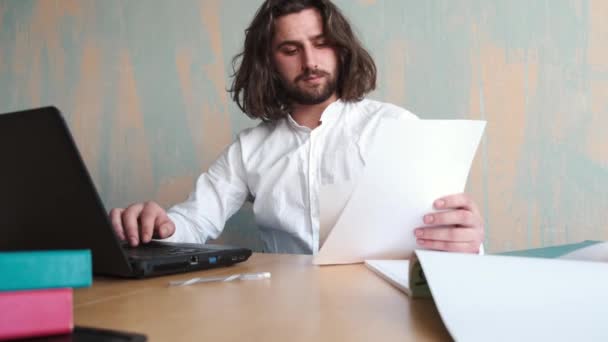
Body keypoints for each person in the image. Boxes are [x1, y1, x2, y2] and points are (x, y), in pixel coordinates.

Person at [110, 0, 484, 254]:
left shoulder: (396, 129)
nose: (310, 62)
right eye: (290, 50)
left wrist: (467, 240)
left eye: (321, 44)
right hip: (284, 318)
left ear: (339, 49)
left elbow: (449, 237)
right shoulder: (248, 150)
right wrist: (155, 227)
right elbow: (193, 221)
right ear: (268, 62)